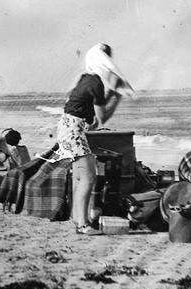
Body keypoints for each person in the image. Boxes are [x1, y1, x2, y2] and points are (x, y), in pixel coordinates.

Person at [56, 43, 134, 235]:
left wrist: (112, 94)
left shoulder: (86, 79)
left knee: (81, 177)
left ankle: (78, 220)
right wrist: (117, 96)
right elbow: (102, 118)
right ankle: (82, 225)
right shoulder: (96, 83)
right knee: (88, 177)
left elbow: (92, 113)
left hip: (68, 128)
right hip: (73, 130)